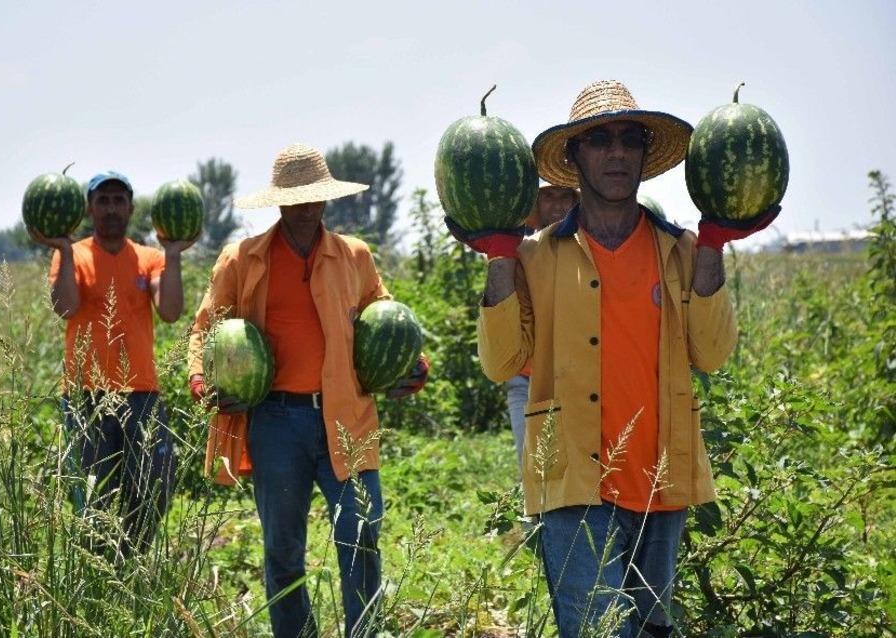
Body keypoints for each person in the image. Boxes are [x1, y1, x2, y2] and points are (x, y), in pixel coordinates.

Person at [449, 80, 778, 637]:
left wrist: (713, 246)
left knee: (650, 631)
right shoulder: (535, 257)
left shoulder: (680, 252)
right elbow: (502, 363)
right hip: (574, 478)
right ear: (574, 158)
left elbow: (713, 353)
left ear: (646, 156)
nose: (617, 152)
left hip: (659, 477)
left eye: (629, 140)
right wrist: (500, 258)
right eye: (600, 140)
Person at [187, 143, 429, 638]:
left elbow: (385, 315)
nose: (307, 206)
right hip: (276, 421)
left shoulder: (353, 256)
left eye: (315, 196)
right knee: (283, 550)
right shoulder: (243, 259)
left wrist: (413, 364)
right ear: (279, 201)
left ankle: (363, 632)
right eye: (296, 197)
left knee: (361, 535)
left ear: (327, 199)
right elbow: (206, 327)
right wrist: (200, 379)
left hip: (346, 415)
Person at [32, 171, 194, 556]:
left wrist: (172, 254)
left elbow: (170, 311)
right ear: (89, 208)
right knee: (92, 495)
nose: (110, 208)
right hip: (86, 394)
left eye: (118, 200)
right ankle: (97, 571)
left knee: (155, 484)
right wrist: (66, 250)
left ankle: (130, 560)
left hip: (141, 393)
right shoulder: (72, 255)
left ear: (130, 208)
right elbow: (65, 307)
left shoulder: (150, 258)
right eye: (102, 201)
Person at [506, 185, 580, 473]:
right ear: (535, 204)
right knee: (535, 474)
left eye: (565, 197)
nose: (558, 205)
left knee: (580, 475)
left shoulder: (590, 249)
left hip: (579, 379)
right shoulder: (521, 253)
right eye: (548, 196)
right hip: (526, 380)